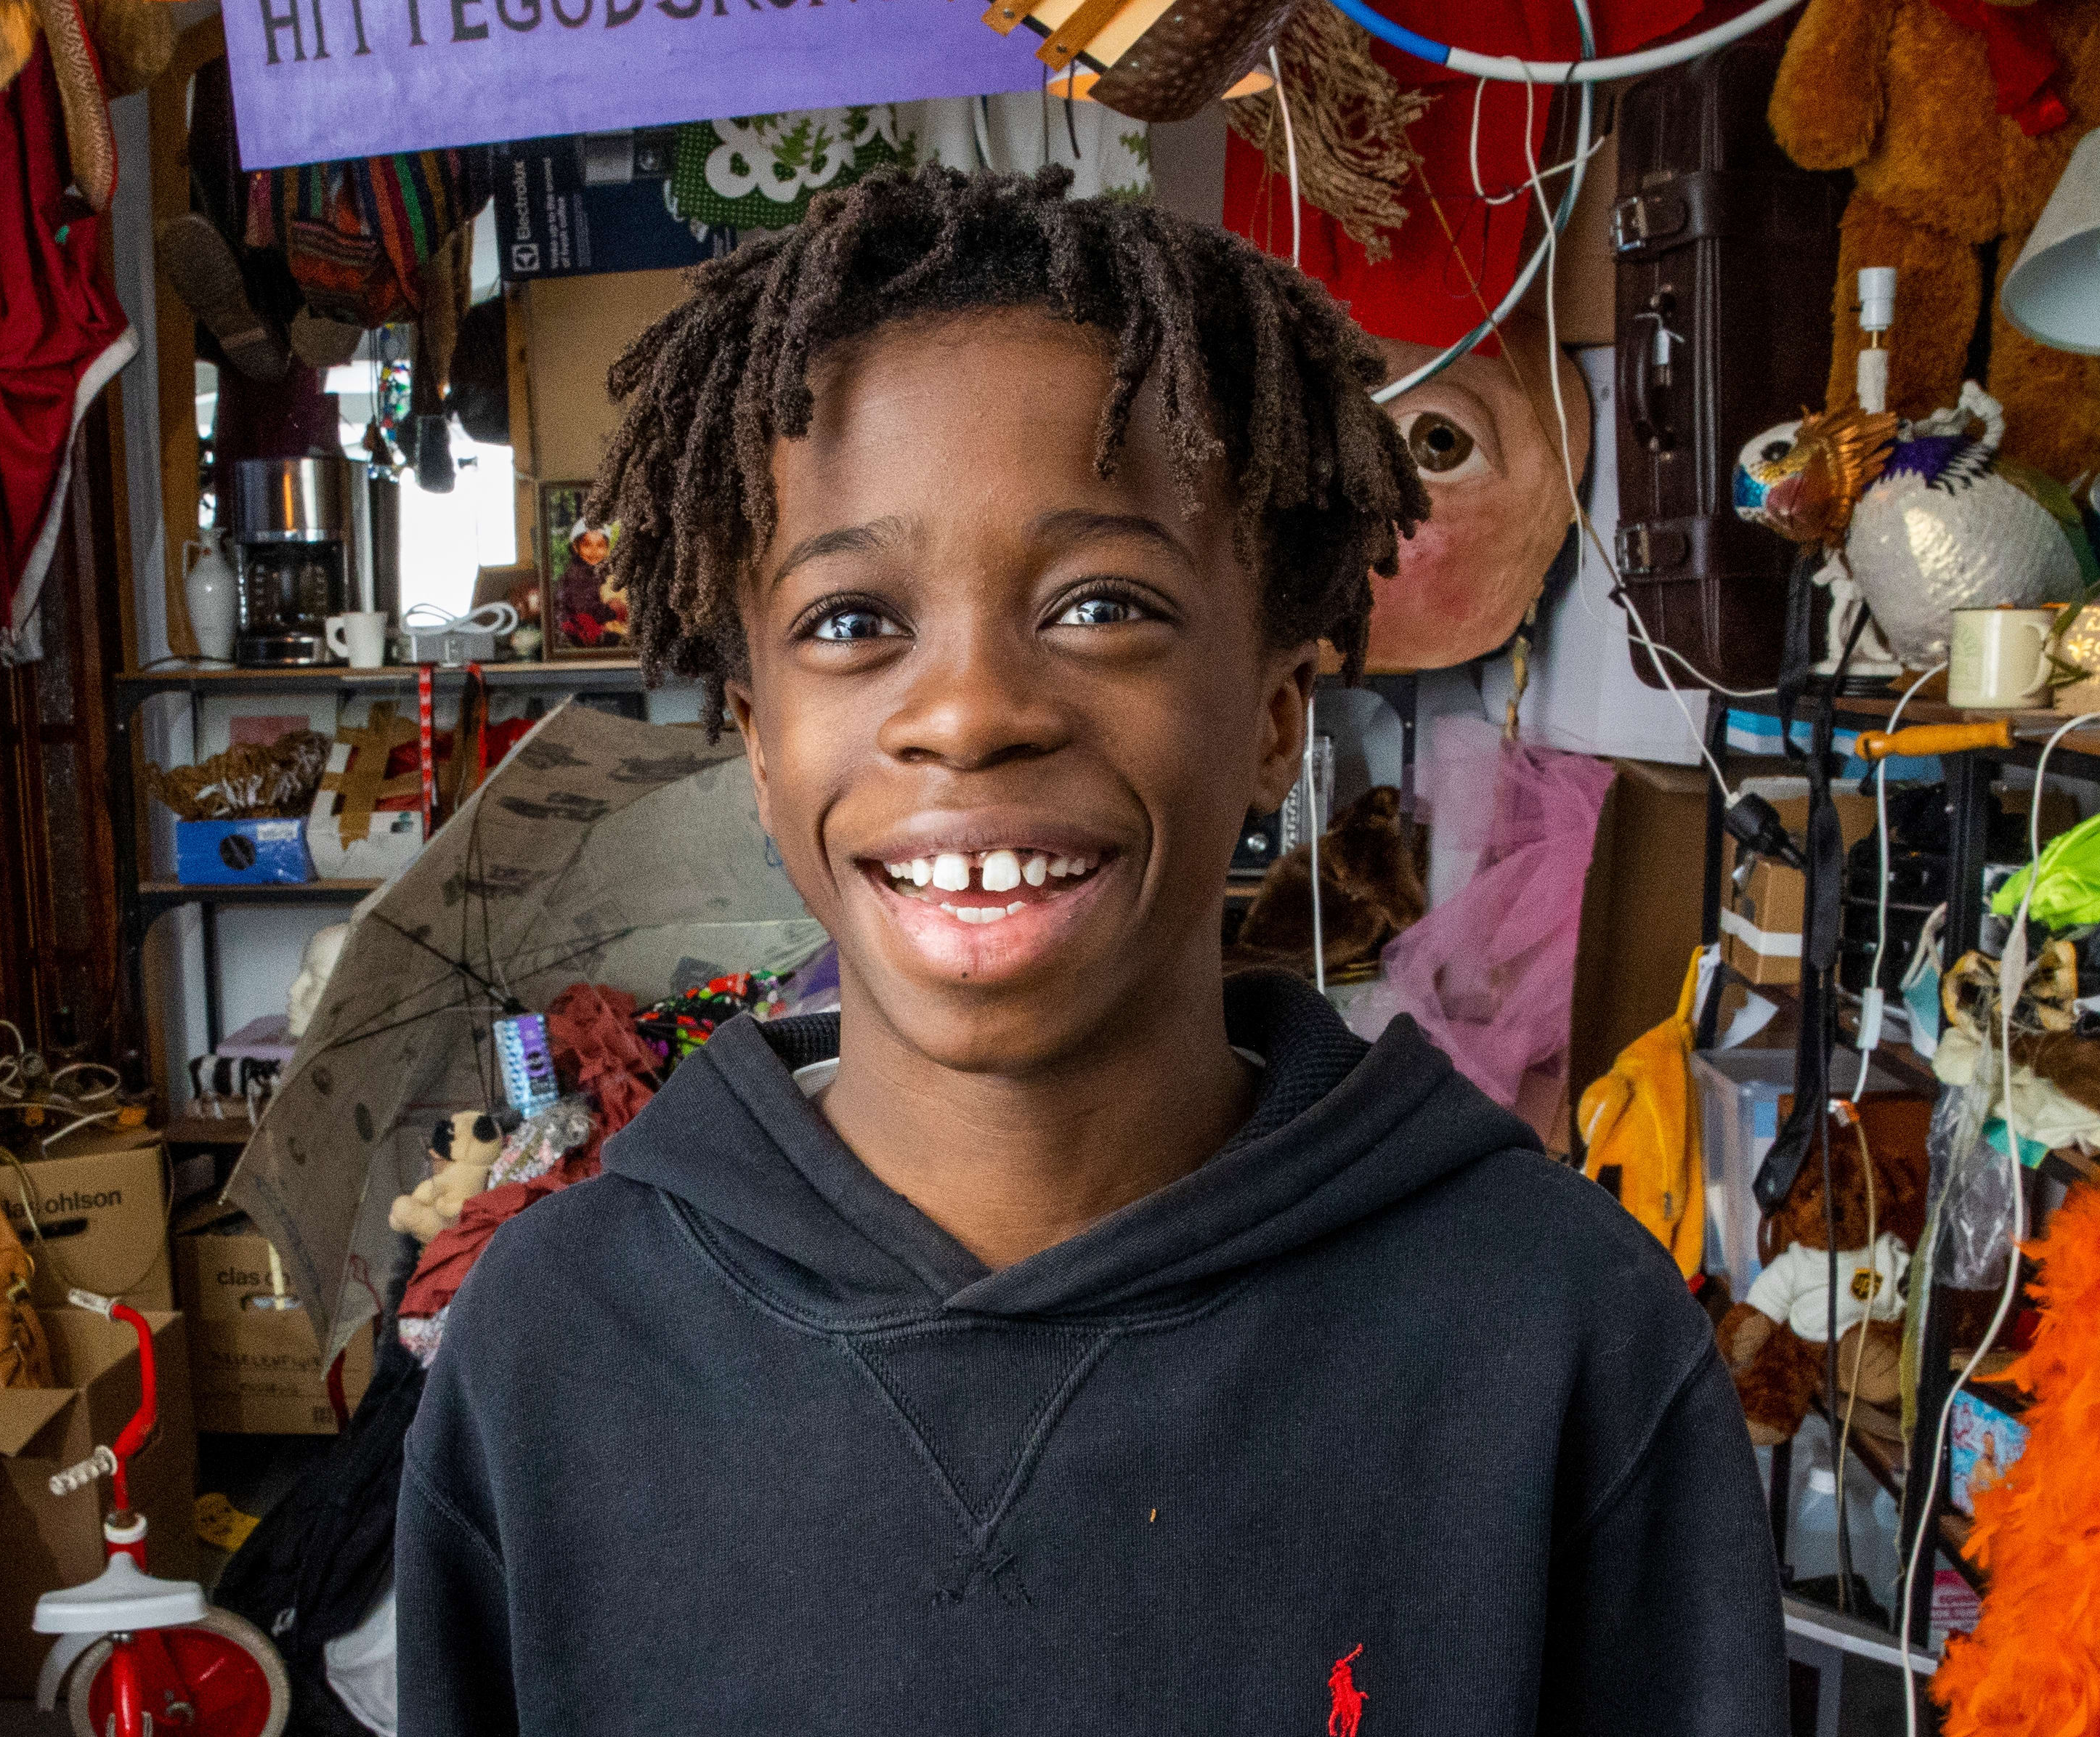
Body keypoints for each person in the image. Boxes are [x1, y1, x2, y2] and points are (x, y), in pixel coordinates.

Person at [397, 164, 1785, 1735]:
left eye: (1101, 603)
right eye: (851, 622)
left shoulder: (1556, 1332)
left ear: (1274, 715)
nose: (968, 711)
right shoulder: (555, 1347)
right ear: (759, 743)